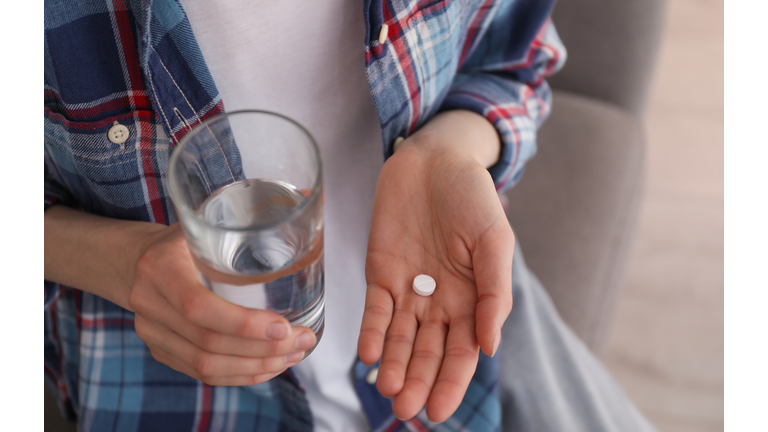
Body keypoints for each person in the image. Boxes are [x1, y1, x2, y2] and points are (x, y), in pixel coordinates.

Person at [44, 0, 657, 431]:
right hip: (160, 375)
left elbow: (516, 61)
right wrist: (123, 265)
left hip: (441, 305)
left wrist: (449, 150)